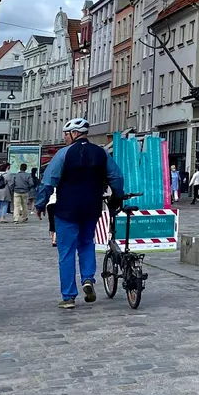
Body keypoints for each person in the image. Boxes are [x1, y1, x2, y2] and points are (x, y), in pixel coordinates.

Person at [34, 118, 124, 309]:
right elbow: (116, 176)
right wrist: (118, 196)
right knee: (86, 243)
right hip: (92, 207)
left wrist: (41, 204)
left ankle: (68, 297)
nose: (65, 138)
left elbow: (48, 181)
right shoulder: (101, 153)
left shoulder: (63, 154)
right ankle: (88, 278)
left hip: (67, 208)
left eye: (66, 135)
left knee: (66, 252)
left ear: (74, 134)